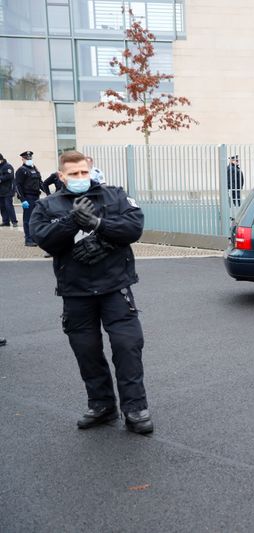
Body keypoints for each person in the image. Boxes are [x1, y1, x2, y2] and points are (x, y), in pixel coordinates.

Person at [30, 150, 153, 435]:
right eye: (73, 174)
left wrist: (99, 225)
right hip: (76, 293)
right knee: (86, 351)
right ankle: (102, 406)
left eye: (84, 172)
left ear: (91, 170)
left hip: (115, 288)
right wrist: (72, 221)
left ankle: (135, 408)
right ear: (61, 176)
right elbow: (44, 239)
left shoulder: (115, 195)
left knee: (127, 346)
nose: (80, 178)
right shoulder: (47, 205)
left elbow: (134, 227)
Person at [15, 150, 43, 245]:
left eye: (30, 158)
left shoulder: (35, 169)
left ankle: (34, 238)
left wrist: (48, 193)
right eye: (27, 158)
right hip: (28, 197)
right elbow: (17, 186)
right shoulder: (21, 170)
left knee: (36, 219)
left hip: (36, 197)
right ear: (22, 159)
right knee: (28, 220)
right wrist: (22, 200)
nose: (29, 159)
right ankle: (28, 240)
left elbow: (40, 183)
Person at [0, 153, 18, 227]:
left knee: (8, 206)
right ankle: (6, 221)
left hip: (8, 190)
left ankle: (14, 221)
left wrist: (0, 179)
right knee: (2, 207)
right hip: (1, 191)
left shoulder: (7, 166)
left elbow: (9, 176)